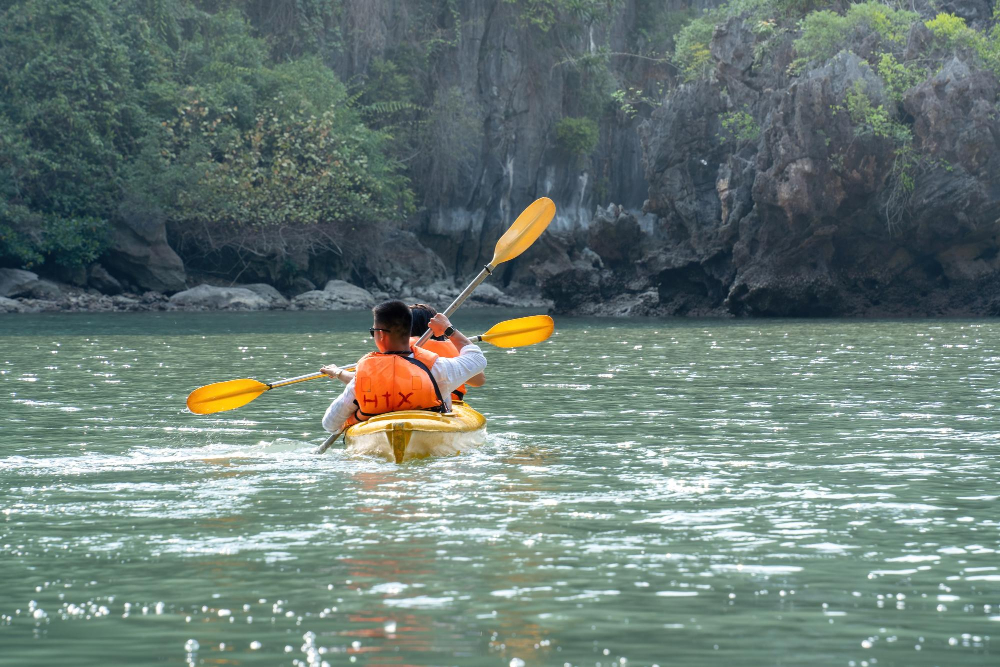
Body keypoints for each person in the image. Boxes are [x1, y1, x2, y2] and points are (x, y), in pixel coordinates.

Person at [320, 300, 486, 433]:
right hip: (431, 425)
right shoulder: (437, 368)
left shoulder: (363, 377)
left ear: (379, 334)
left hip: (378, 430)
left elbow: (329, 424)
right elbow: (477, 360)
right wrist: (448, 330)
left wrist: (355, 416)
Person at [409, 303, 485, 402]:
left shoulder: (402, 347)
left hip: (411, 402)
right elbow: (479, 381)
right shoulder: (455, 348)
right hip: (451, 405)